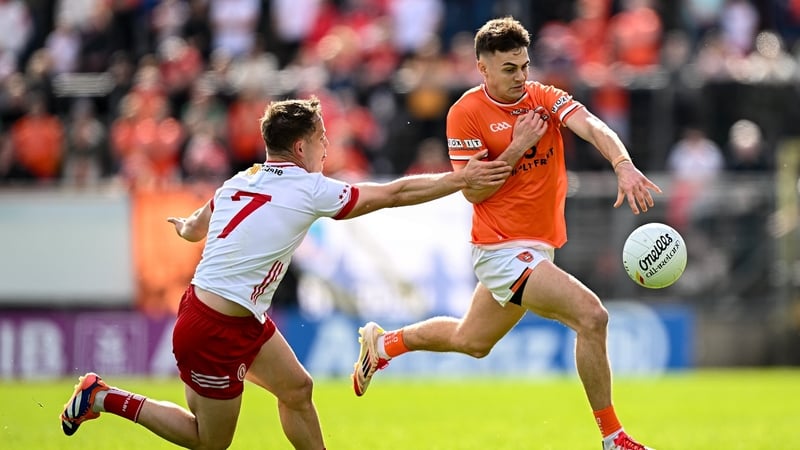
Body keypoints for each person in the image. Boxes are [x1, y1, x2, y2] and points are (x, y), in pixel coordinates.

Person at [59, 96, 511, 450]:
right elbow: (391, 194)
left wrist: (185, 228)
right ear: (301, 146)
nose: (327, 146)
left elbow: (195, 227)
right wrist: (459, 180)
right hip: (214, 328)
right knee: (209, 440)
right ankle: (101, 396)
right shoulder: (308, 187)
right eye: (321, 138)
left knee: (297, 388)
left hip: (229, 314)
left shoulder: (240, 179)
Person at [351, 16, 662, 450]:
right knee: (592, 317)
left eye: (524, 65)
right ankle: (614, 438)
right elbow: (474, 191)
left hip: (537, 247)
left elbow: (592, 125)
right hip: (499, 249)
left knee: (471, 340)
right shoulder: (465, 113)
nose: (521, 77)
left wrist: (622, 164)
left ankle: (384, 344)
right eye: (509, 69)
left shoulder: (543, 97)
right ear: (483, 69)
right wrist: (518, 146)